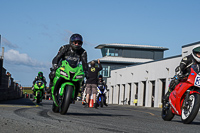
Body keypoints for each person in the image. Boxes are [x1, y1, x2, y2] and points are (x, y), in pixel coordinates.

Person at [48, 33, 88, 100]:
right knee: (52, 73)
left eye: (79, 43)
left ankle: (76, 93)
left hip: (75, 69)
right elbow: (57, 57)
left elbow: (84, 63)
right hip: (63, 67)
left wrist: (86, 71)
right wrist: (55, 65)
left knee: (82, 80)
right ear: (71, 42)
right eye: (75, 42)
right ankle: (50, 86)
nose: (77, 44)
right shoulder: (65, 48)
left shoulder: (83, 52)